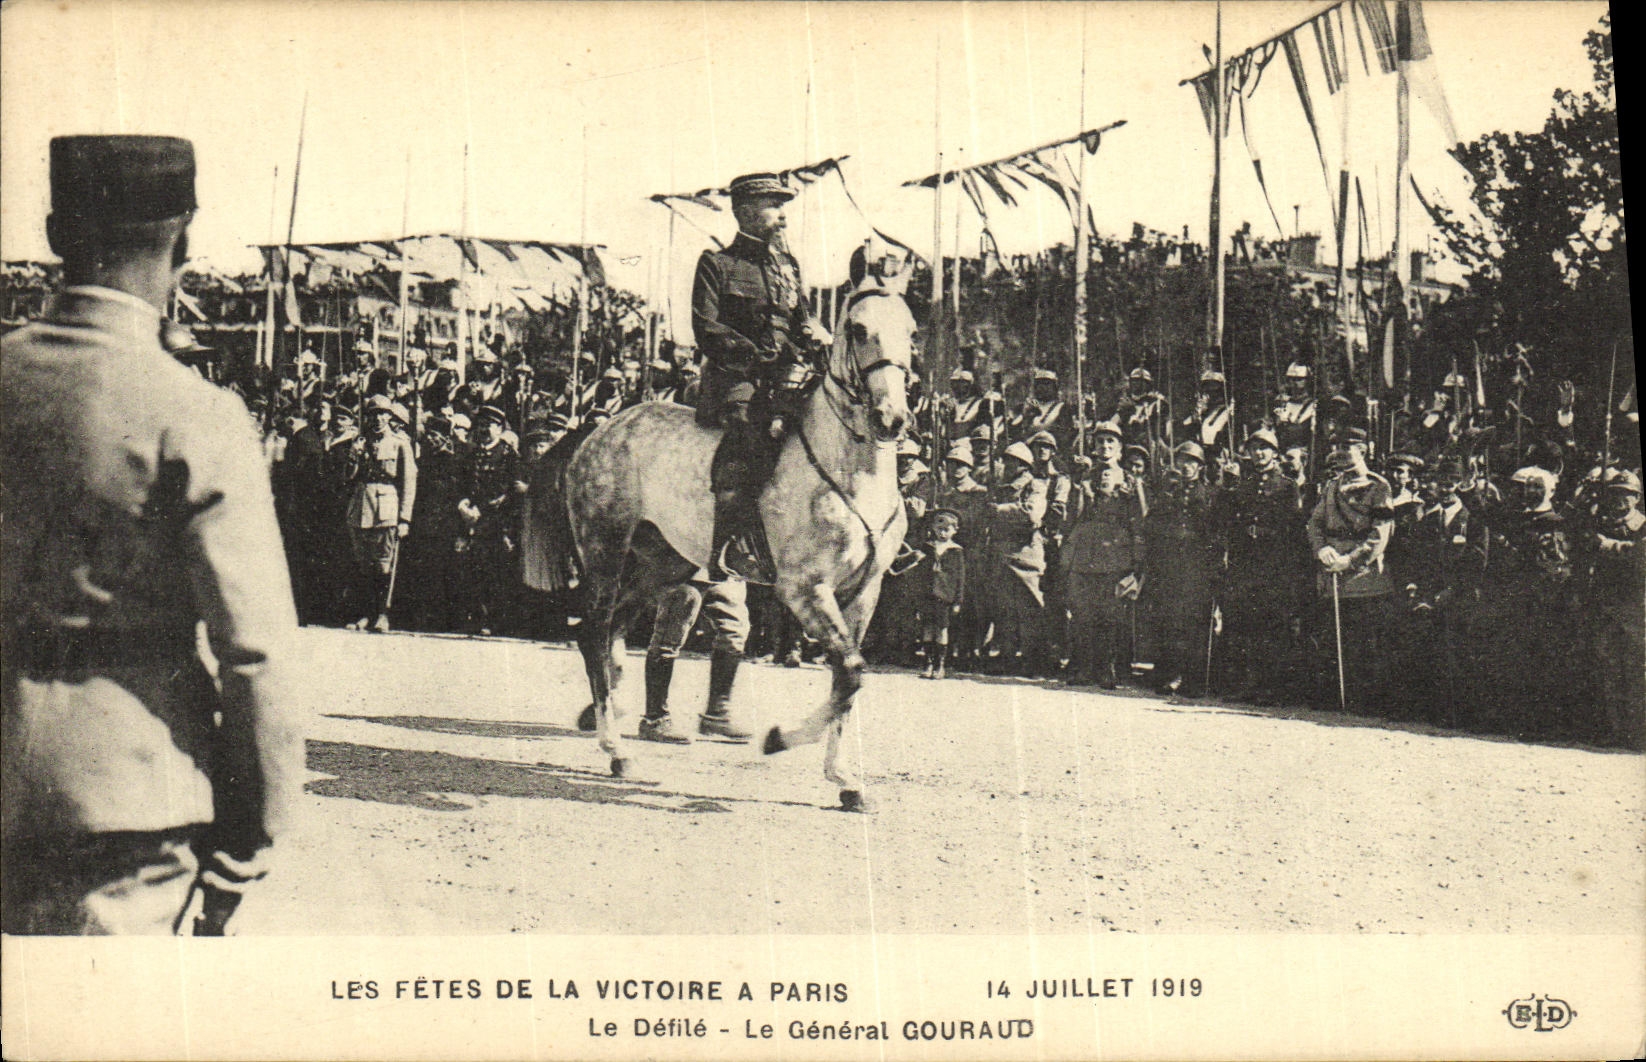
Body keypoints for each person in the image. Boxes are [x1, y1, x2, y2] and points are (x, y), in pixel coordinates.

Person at [2, 135, 300, 935]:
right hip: (127, 808)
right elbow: (256, 653)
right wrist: (245, 847)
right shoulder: (196, 414)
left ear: (57, 232)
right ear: (186, 241)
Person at [692, 172, 823, 581]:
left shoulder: (788, 266)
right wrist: (755, 355)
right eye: (774, 206)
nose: (782, 216)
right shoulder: (717, 264)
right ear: (746, 211)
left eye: (783, 207)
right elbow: (705, 327)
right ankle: (730, 545)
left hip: (788, 374)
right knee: (747, 435)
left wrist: (814, 333)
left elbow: (800, 320)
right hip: (738, 378)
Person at [1305, 427, 1395, 713]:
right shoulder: (1332, 486)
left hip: (1363, 576)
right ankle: (1335, 697)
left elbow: (1380, 534)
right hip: (1332, 572)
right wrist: (1321, 549)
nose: (1341, 453)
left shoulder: (1378, 487)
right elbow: (1315, 523)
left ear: (1364, 450)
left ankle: (1365, 701)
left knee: (1363, 641)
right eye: (1338, 447)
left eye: (1349, 447)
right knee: (1334, 637)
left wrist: (1351, 560)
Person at [1062, 459, 1145, 689]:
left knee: (1110, 617)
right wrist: (1079, 486)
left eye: (1111, 441)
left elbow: (1138, 524)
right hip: (1085, 558)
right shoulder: (1086, 486)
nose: (1104, 479)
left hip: (1114, 559)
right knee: (1083, 616)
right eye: (1100, 441)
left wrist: (1136, 562)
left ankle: (1108, 668)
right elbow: (1072, 518)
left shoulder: (1128, 487)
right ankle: (1084, 668)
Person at [345, 395, 417, 633]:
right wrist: (353, 457)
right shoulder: (360, 442)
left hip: (387, 508)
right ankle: (366, 613)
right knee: (363, 564)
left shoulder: (399, 444)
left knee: (384, 565)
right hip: (361, 506)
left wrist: (405, 518)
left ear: (390, 416)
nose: (378, 419)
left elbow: (408, 482)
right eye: (373, 414)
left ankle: (383, 614)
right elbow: (349, 477)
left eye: (383, 414)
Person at [913, 509, 966, 679]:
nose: (942, 533)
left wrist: (958, 601)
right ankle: (928, 663)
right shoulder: (928, 547)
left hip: (945, 596)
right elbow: (920, 573)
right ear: (934, 528)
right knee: (928, 628)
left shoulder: (956, 551)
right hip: (927, 594)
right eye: (939, 528)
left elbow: (960, 578)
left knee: (942, 629)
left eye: (947, 530)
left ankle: (940, 665)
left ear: (954, 531)